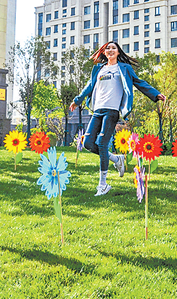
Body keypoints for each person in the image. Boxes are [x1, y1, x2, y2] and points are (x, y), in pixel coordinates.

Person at [70, 41, 166, 196]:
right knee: (87, 143)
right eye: (107, 48)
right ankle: (116, 159)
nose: (110, 50)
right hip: (98, 110)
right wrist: (77, 100)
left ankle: (103, 185)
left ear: (118, 52)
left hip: (112, 110)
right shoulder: (98, 69)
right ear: (104, 52)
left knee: (102, 143)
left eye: (113, 48)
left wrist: (155, 94)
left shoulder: (124, 68)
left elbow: (138, 82)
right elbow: (89, 86)